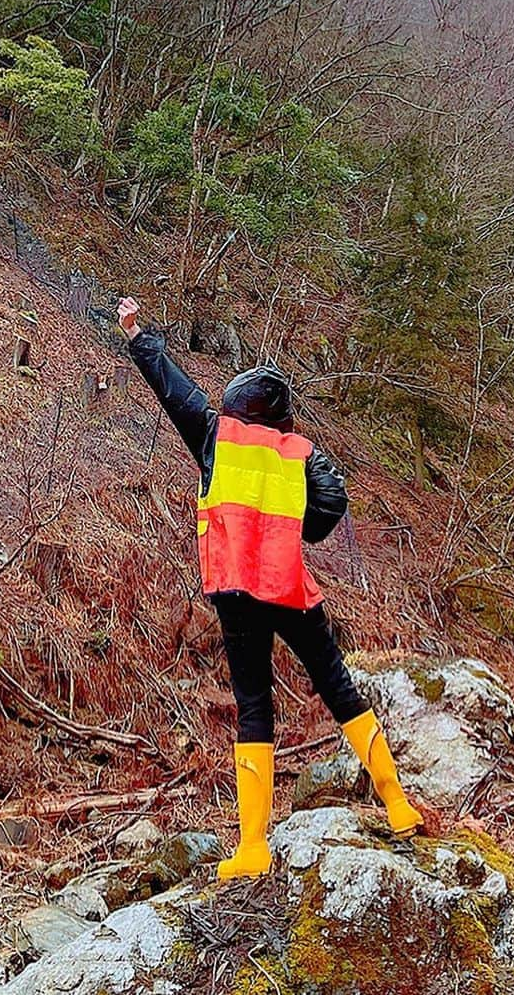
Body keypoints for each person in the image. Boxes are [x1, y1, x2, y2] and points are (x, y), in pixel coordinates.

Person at [118, 297, 422, 879]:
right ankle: (398, 805)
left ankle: (252, 846)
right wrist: (299, 523)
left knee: (254, 707)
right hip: (287, 585)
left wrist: (138, 336)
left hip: (233, 590)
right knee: (337, 688)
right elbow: (331, 506)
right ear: (282, 417)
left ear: (237, 409)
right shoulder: (301, 454)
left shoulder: (216, 437)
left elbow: (176, 393)